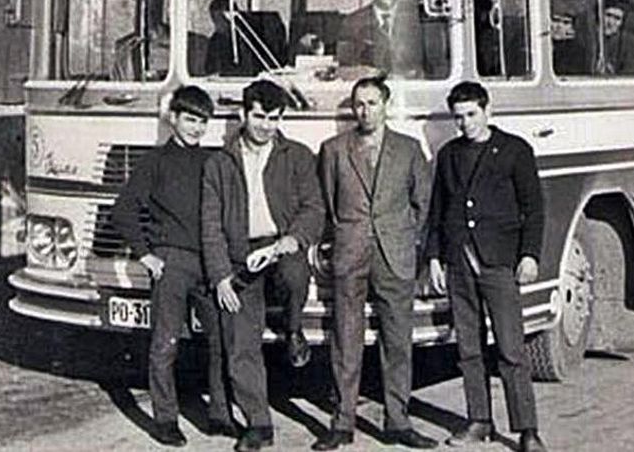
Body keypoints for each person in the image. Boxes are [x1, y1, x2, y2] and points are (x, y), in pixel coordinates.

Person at [202, 79, 325, 452]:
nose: (265, 126)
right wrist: (221, 276)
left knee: (293, 272)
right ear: (243, 114)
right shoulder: (219, 163)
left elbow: (314, 208)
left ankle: (292, 330)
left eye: (273, 118)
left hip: (281, 248)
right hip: (241, 260)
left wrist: (293, 239)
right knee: (240, 340)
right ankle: (258, 423)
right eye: (258, 117)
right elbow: (210, 224)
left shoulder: (298, 155)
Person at [314, 76, 436, 450]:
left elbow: (423, 203)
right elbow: (328, 203)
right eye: (359, 104)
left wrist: (403, 236)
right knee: (345, 338)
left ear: (386, 105)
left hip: (395, 255)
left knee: (398, 341)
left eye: (372, 103)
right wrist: (346, 237)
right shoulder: (334, 149)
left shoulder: (410, 149)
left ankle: (398, 422)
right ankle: (342, 422)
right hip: (350, 254)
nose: (365, 111)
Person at [110, 85, 233, 447]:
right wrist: (146, 255)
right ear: (173, 118)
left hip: (211, 263)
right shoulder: (155, 162)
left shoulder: (214, 160)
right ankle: (166, 420)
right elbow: (123, 210)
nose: (196, 128)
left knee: (221, 339)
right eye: (190, 119)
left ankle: (220, 415)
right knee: (165, 343)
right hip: (172, 262)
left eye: (202, 122)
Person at [426, 81, 547, 452]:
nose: (465, 123)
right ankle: (479, 420)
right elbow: (437, 211)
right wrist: (434, 257)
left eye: (471, 114)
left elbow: (534, 208)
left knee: (511, 348)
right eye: (458, 117)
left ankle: (527, 430)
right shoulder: (448, 155)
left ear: (487, 111)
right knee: (469, 347)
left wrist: (530, 255)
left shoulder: (514, 150)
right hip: (458, 261)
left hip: (499, 261)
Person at [336, 0, 423, 75]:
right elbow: (343, 70)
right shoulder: (352, 23)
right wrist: (364, 72)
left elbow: (433, 68)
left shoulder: (416, 24)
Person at [596, 0, 634, 75]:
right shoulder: (588, 38)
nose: (611, 22)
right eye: (608, 15)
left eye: (617, 18)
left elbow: (631, 76)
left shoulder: (630, 44)